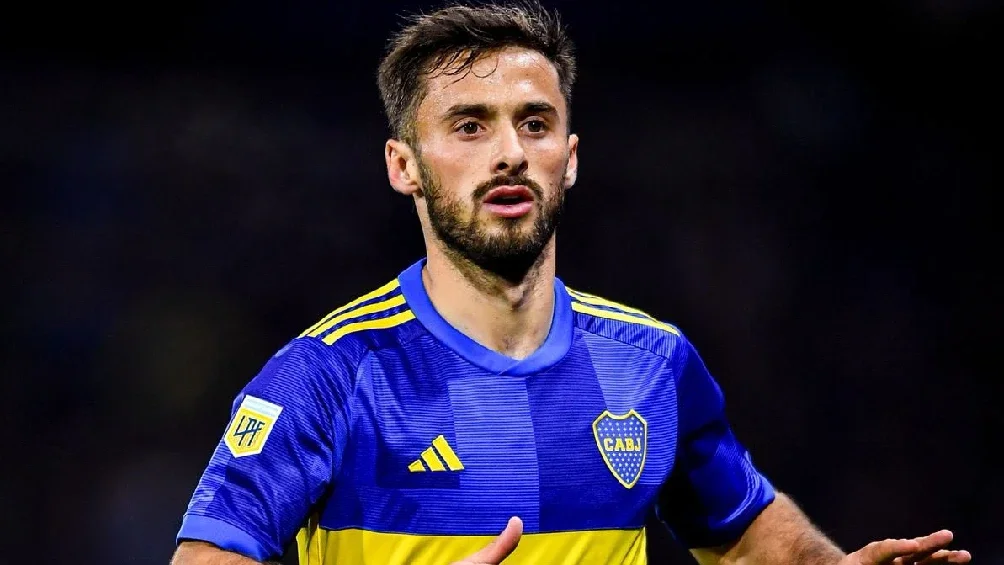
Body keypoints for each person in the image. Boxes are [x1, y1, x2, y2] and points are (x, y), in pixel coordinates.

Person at [170, 2, 972, 564]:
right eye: (470, 125)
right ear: (403, 165)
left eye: (534, 122)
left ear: (571, 157)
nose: (510, 152)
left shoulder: (653, 362)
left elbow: (742, 530)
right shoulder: (326, 374)